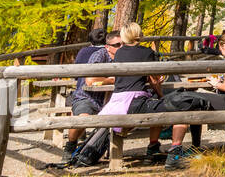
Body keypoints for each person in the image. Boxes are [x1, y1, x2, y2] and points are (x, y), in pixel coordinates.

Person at [71, 23, 166, 167]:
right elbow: (154, 80)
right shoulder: (146, 52)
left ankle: (81, 150)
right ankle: (152, 149)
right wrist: (160, 95)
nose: (119, 46)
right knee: (161, 110)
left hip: (115, 101)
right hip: (126, 100)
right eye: (115, 44)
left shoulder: (120, 53)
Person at [163, 31, 225, 170]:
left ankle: (182, 151)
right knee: (198, 103)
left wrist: (215, 83)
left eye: (220, 48)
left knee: (193, 100)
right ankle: (194, 148)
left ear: (224, 45)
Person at [60, 27, 117, 165]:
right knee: (83, 119)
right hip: (87, 96)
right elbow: (89, 80)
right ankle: (70, 146)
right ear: (107, 45)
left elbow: (76, 74)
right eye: (117, 45)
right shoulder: (99, 55)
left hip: (107, 98)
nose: (120, 47)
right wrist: (112, 79)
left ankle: (101, 148)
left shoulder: (84, 51)